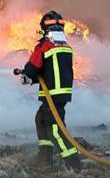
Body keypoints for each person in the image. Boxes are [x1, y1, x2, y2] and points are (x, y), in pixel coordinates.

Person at [19, 10, 83, 170]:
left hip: (53, 95)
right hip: (60, 94)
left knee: (55, 129)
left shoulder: (44, 46)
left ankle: (74, 164)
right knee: (41, 119)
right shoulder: (64, 47)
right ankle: (45, 158)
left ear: (44, 28)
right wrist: (32, 78)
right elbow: (49, 71)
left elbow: (33, 67)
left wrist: (27, 74)